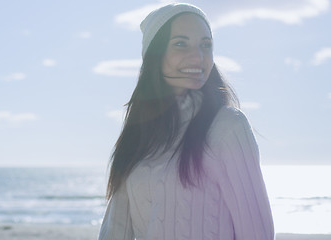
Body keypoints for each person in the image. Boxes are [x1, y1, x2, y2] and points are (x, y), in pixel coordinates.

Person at [98, 3, 274, 240]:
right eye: (181, 44)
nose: (198, 57)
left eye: (206, 45)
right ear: (155, 55)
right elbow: (115, 231)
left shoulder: (227, 127)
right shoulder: (139, 136)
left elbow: (257, 233)